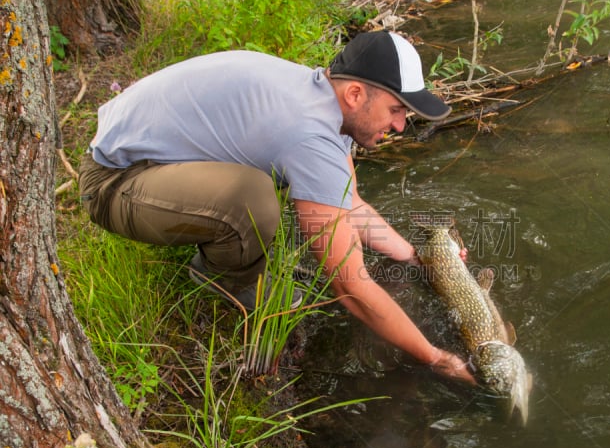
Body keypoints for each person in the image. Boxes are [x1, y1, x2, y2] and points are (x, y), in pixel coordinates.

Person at [79, 30, 475, 385]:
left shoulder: (324, 99)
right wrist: (436, 358)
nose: (402, 126)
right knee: (252, 200)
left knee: (264, 193)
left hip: (153, 159)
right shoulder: (308, 133)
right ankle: (224, 277)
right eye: (397, 110)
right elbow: (349, 286)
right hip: (115, 182)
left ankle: (225, 248)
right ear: (356, 94)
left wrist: (418, 258)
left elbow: (349, 204)